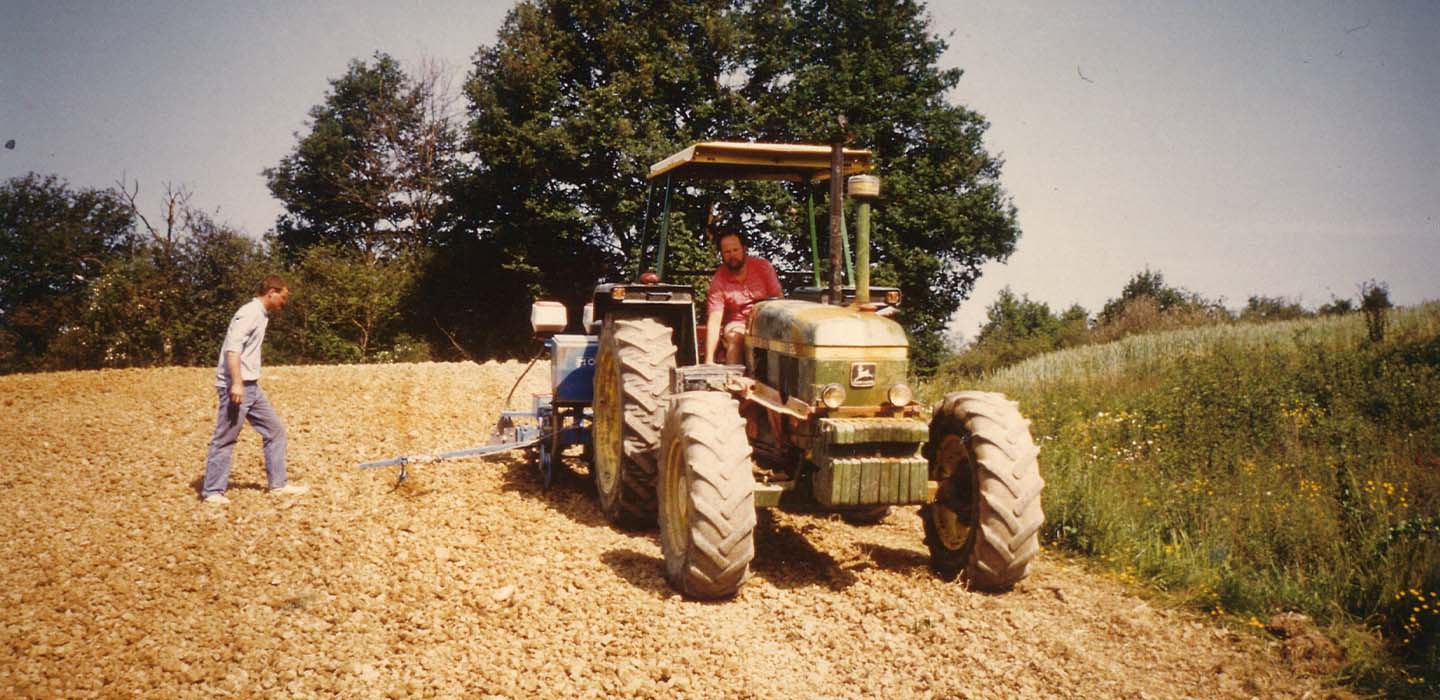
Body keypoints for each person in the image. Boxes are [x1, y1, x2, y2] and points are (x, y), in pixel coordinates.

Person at [199, 275, 308, 504]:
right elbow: (232, 350)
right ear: (271, 292)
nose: (284, 303)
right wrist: (236, 382)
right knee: (225, 438)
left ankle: (278, 485)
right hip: (236, 386)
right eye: (283, 297)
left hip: (252, 386)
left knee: (275, 431)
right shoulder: (249, 313)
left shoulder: (261, 314)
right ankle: (212, 491)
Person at [704, 230, 783, 365]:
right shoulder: (719, 280)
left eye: (735, 250)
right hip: (738, 323)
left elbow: (779, 301)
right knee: (735, 338)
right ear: (721, 254)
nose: (732, 255)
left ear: (744, 249)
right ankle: (734, 380)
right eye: (727, 252)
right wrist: (709, 360)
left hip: (765, 320)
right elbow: (715, 320)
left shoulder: (763, 267)